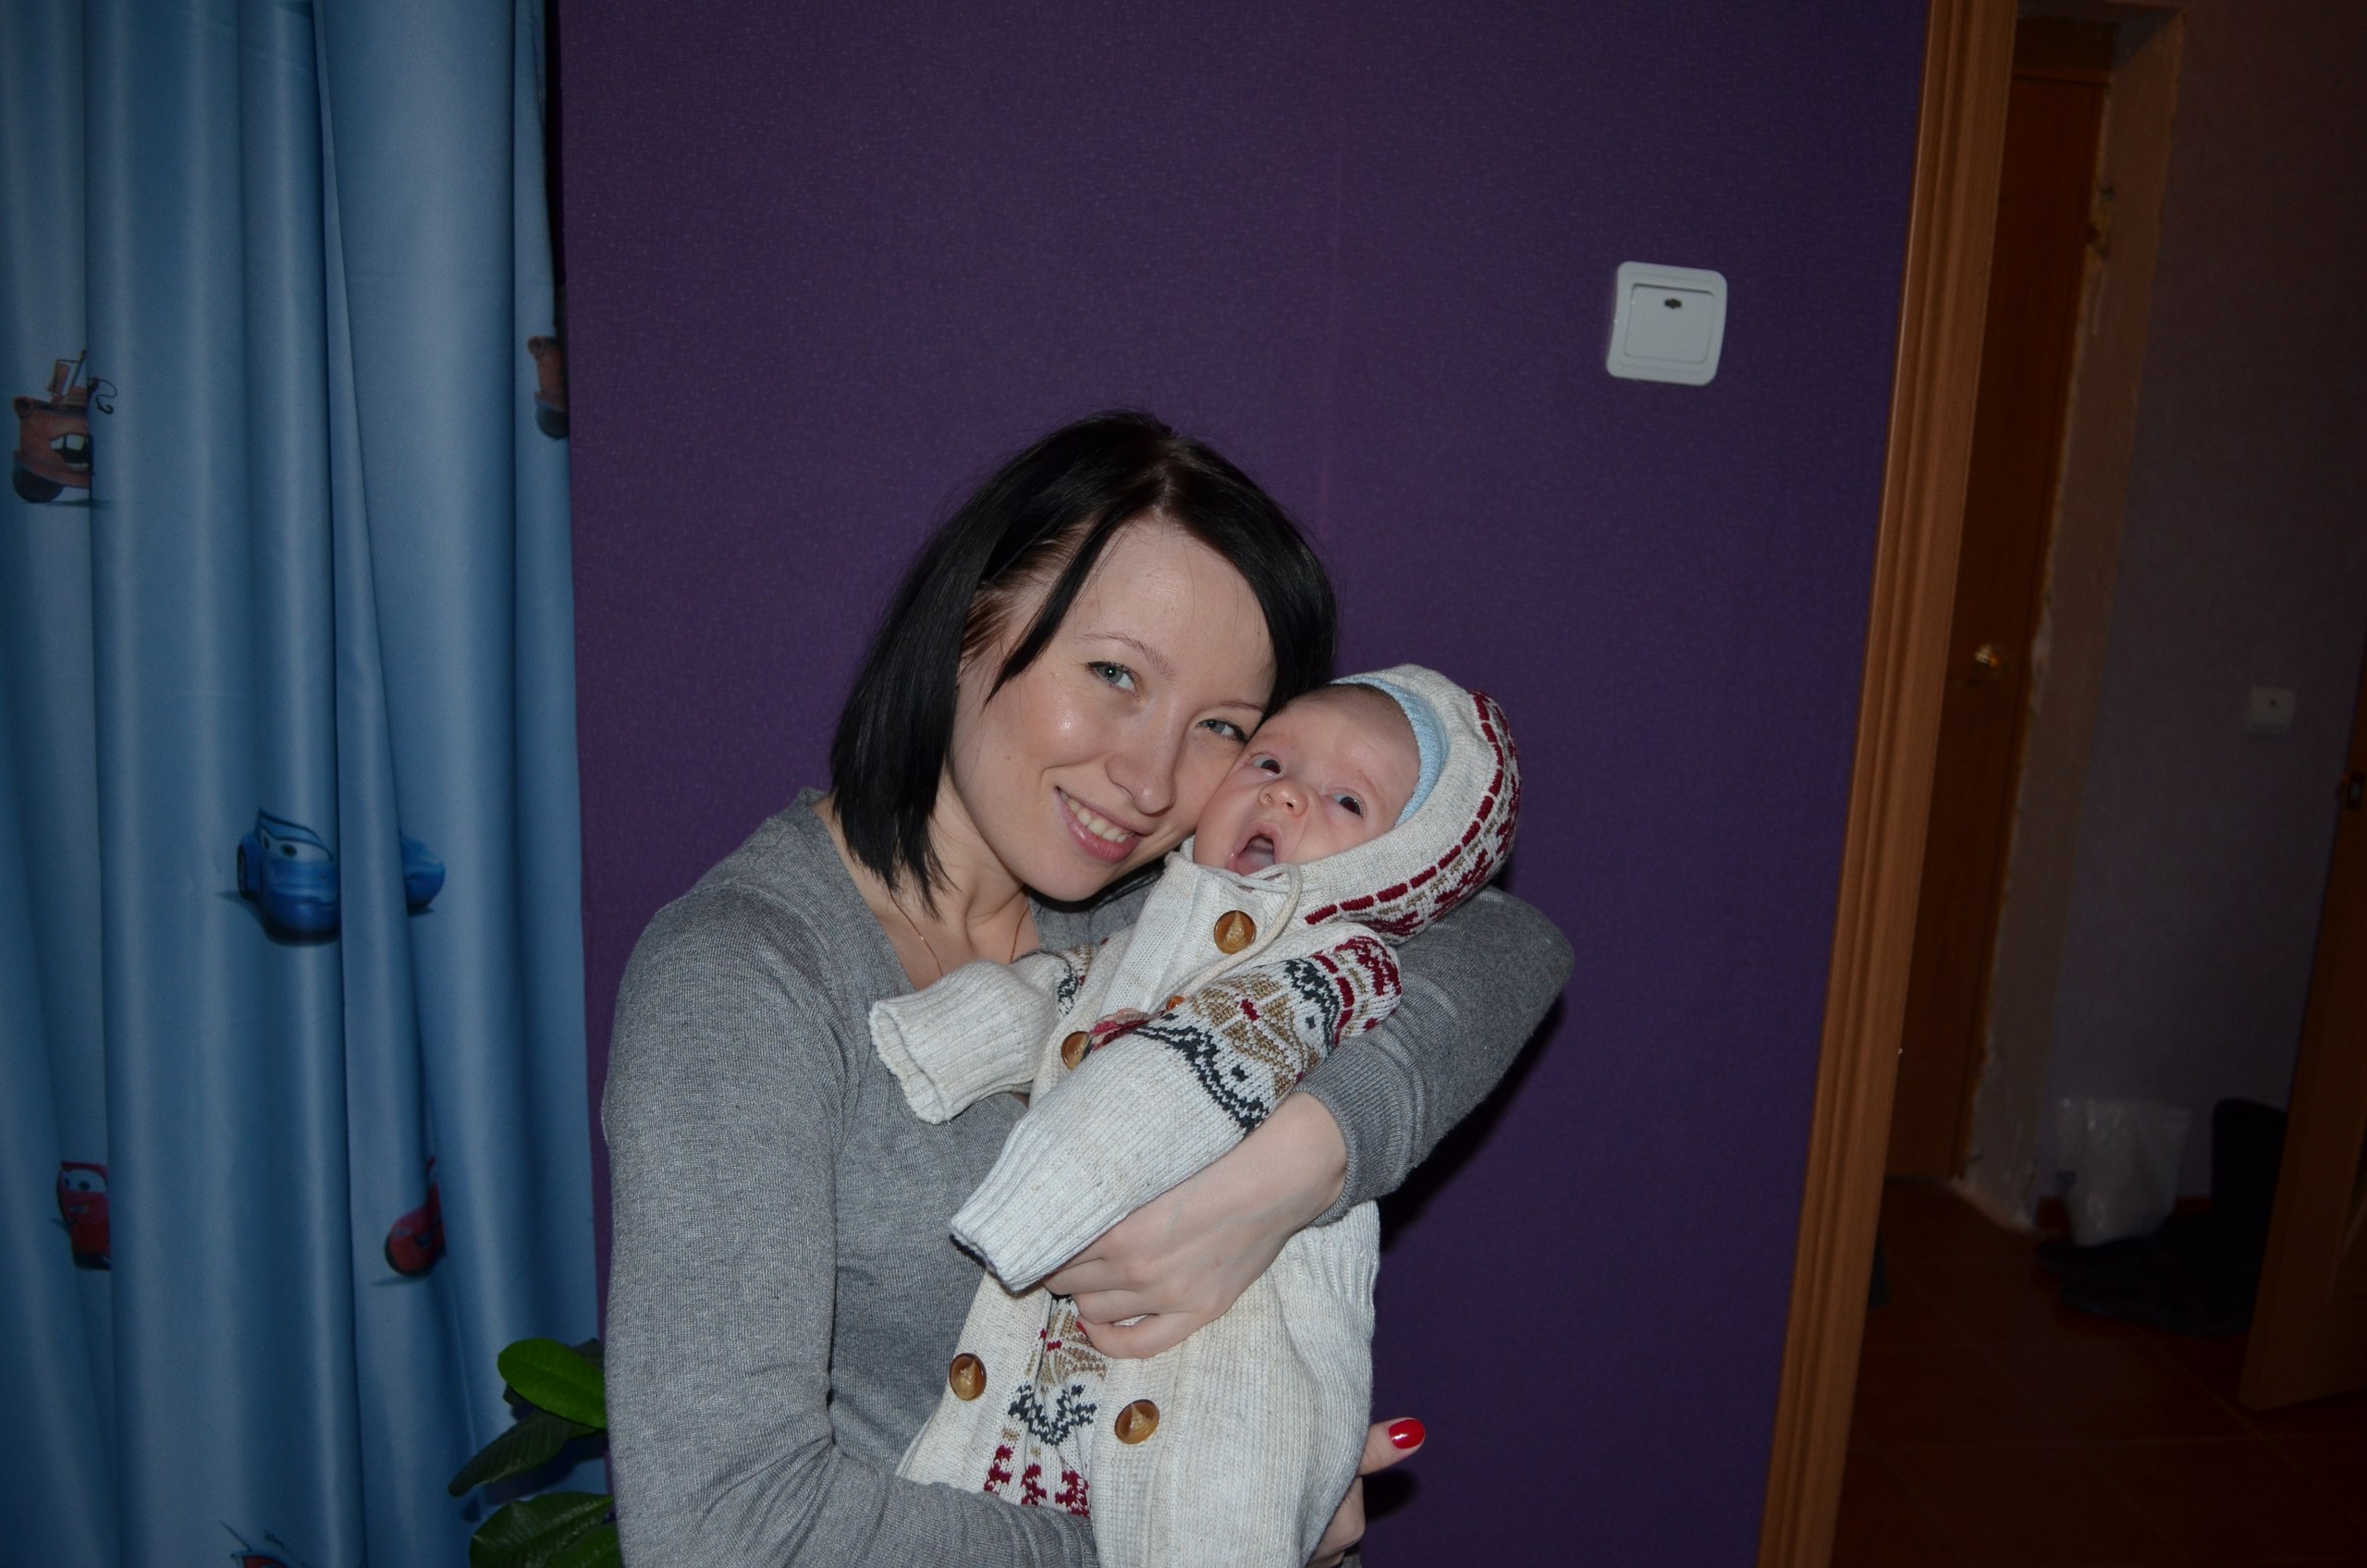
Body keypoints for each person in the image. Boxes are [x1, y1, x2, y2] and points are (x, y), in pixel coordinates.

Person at [603, 411, 1571, 1566]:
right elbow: (720, 1532)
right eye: (1114, 674)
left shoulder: (1161, 902)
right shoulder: (748, 978)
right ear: (970, 619)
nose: (1148, 780)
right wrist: (1195, 1542)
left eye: (1221, 726)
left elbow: (1508, 942)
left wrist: (1302, 1161)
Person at [876, 666, 1520, 1566]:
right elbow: (1060, 994)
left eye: (1346, 800)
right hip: (1079, 1372)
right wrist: (940, 1039)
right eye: (1269, 762)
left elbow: (1180, 1081)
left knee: (1212, 1505)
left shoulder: (1332, 970)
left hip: (1251, 1356)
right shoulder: (1141, 938)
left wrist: (1036, 1204)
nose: (1287, 793)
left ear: (1398, 866)